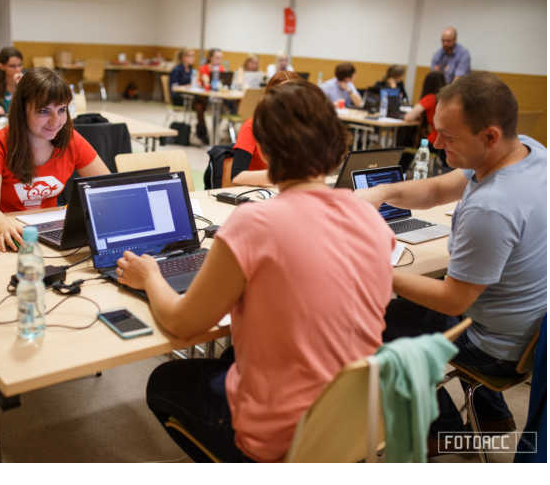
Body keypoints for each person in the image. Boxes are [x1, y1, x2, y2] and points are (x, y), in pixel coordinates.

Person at [116, 79, 395, 462]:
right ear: (335, 143)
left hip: (282, 439)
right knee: (231, 356)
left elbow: (183, 325)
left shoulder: (255, 223)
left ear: (262, 149)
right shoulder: (370, 217)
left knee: (165, 381)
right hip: (358, 421)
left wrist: (150, 277)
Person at [356, 72, 546, 449]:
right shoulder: (527, 151)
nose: (435, 142)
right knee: (411, 302)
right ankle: (490, 415)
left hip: (494, 348)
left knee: (368, 321)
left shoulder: (491, 208)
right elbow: (439, 188)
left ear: (490, 136)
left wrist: (376, 269)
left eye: (448, 136)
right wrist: (382, 192)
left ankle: (440, 429)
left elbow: (452, 300)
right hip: (528, 330)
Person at [0, 67, 109, 252]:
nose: (55, 121)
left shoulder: (71, 139)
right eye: (44, 111)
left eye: (61, 110)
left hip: (48, 233)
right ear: (22, 110)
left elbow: (106, 187)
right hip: (2, 234)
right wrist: (5, 227)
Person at [229, 71, 301, 187]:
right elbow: (237, 176)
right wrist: (281, 177)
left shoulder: (302, 128)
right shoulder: (252, 126)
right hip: (259, 190)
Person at [403, 71, 447, 163]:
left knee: (408, 142)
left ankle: (403, 168)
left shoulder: (431, 98)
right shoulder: (446, 98)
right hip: (447, 139)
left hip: (435, 140)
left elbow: (408, 117)